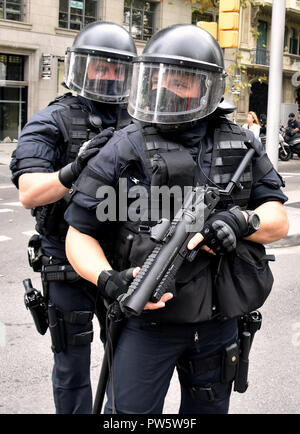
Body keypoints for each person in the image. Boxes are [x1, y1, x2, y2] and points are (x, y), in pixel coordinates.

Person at [64, 24, 289, 414]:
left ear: (207, 88)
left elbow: (278, 219)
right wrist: (107, 278)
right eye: (163, 76)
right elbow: (79, 234)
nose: (170, 88)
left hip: (218, 320)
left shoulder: (241, 143)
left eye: (184, 80)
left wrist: (241, 222)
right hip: (146, 319)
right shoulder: (124, 146)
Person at [9, 21, 137, 414]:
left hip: (122, 263)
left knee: (129, 367)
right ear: (82, 67)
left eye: (118, 67)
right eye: (101, 66)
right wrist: (73, 169)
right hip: (65, 263)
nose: (110, 75)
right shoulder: (53, 119)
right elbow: (29, 191)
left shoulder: (137, 120)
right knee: (71, 368)